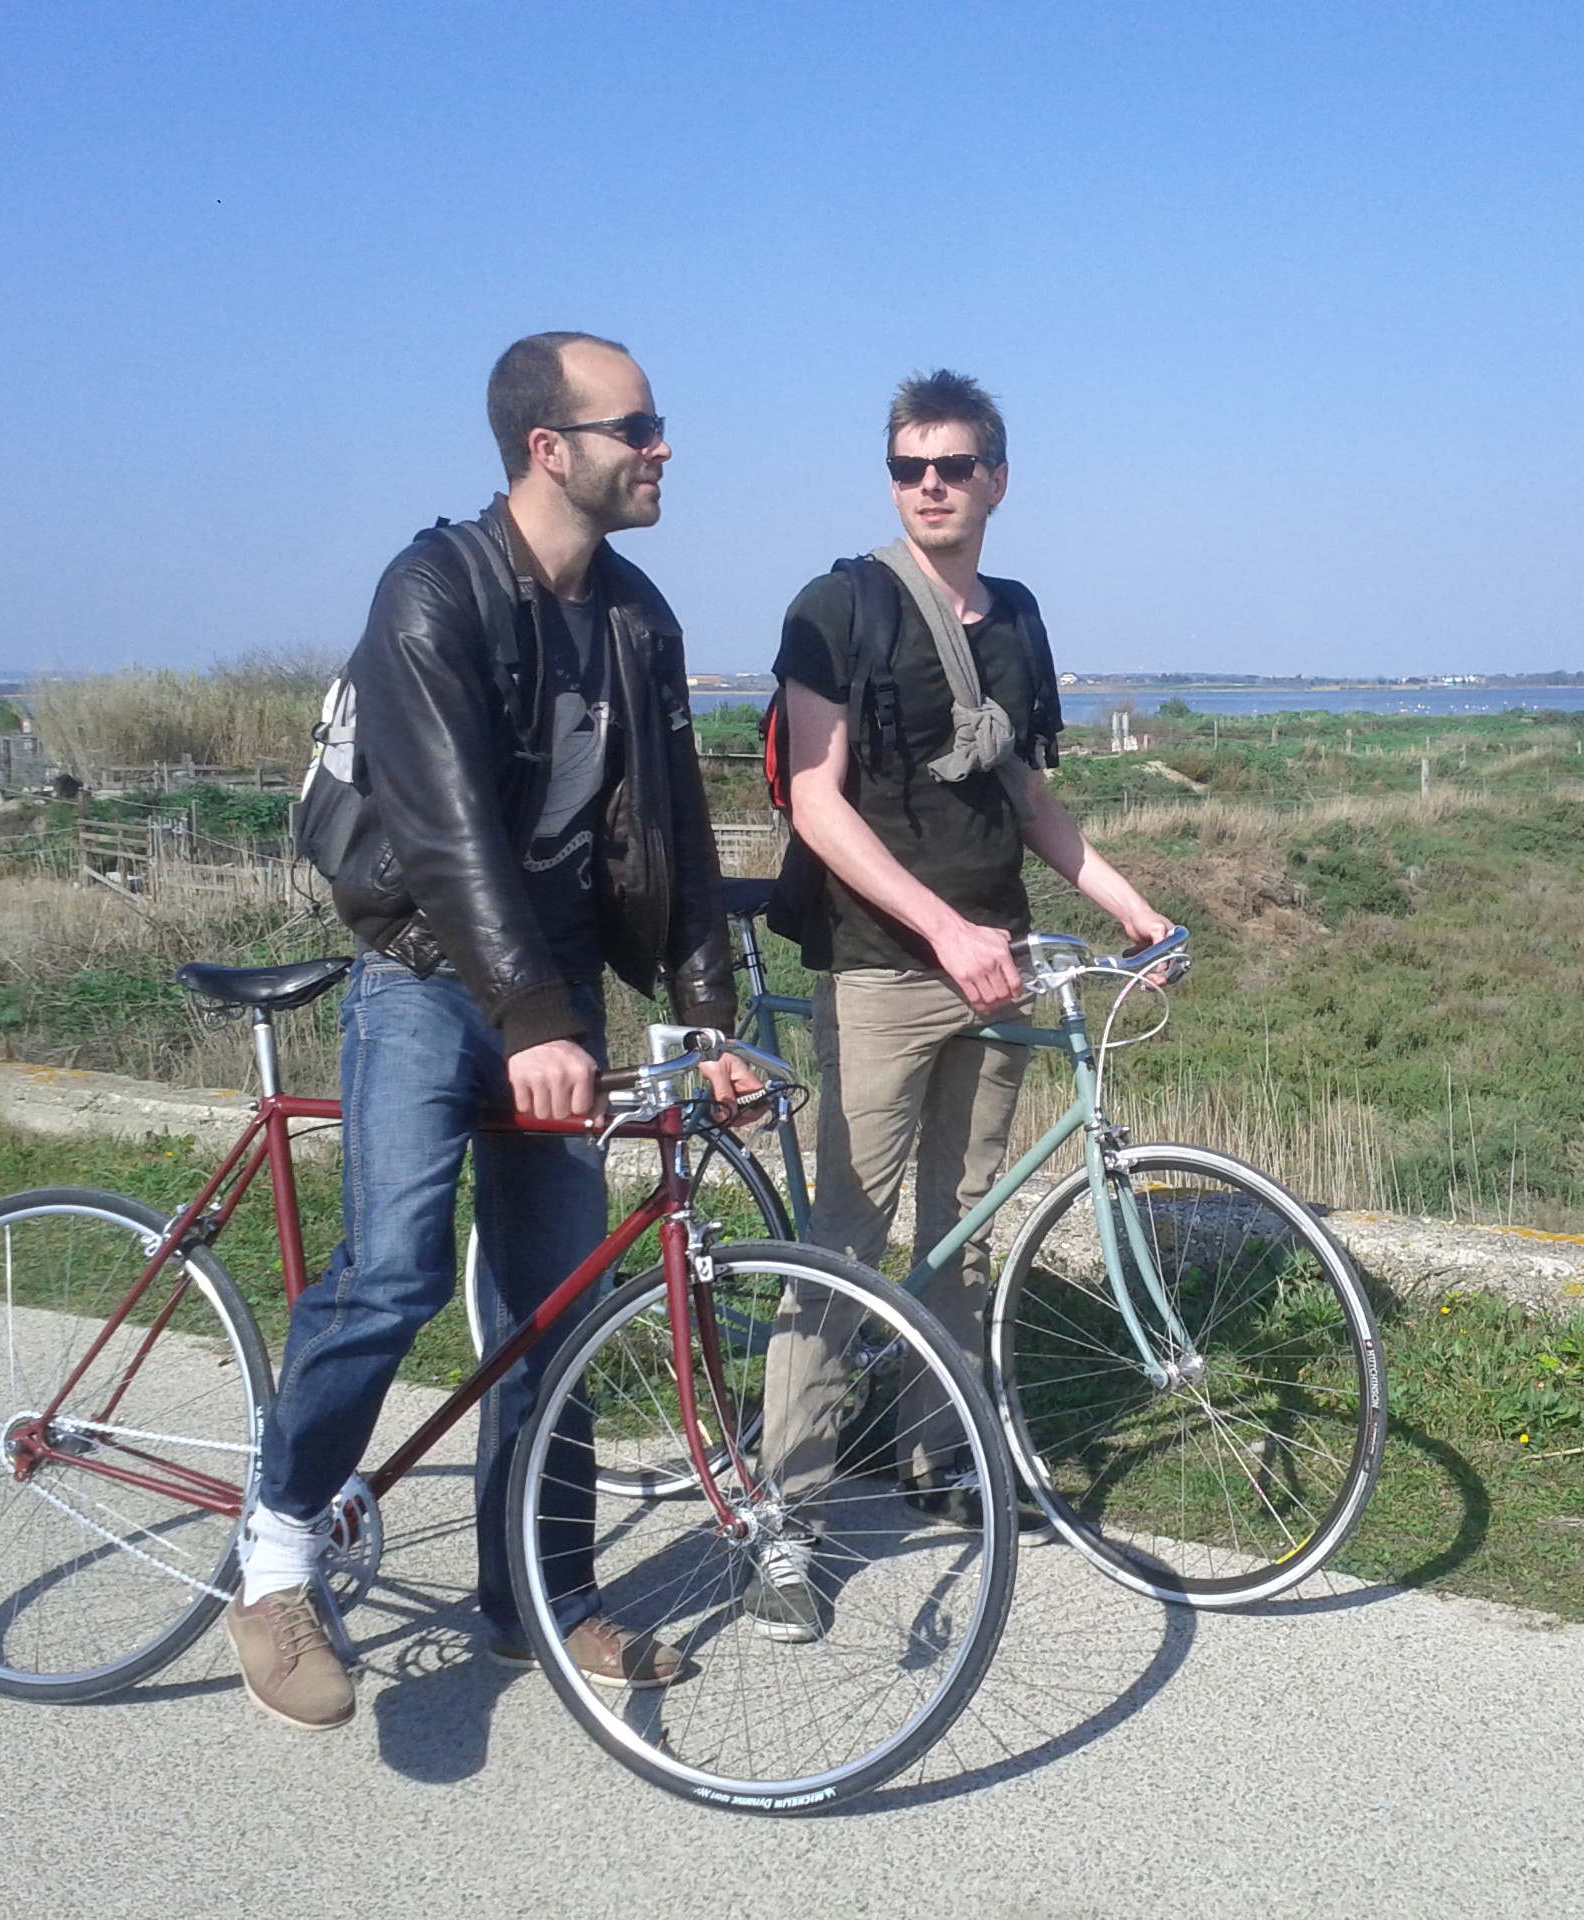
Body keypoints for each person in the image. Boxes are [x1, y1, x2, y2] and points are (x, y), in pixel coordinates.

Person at [228, 331, 752, 1730]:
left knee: (552, 1310)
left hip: (554, 992)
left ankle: (540, 1595)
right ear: (549, 448)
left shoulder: (637, 619)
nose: (663, 446)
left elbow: (677, 828)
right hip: (425, 977)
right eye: (638, 425)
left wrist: (708, 1018)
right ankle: (275, 1559)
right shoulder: (432, 592)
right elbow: (447, 828)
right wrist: (525, 1016)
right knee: (392, 1274)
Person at [751, 369, 1172, 1640]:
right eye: (907, 467)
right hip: (884, 966)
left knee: (964, 1224)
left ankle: (939, 1459)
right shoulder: (838, 607)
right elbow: (813, 801)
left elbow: (1026, 795)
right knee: (843, 1241)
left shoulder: (1019, 618)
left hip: (1000, 958)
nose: (927, 485)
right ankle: (785, 1518)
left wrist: (1131, 909)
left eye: (951, 466)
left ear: (996, 479)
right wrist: (942, 930)